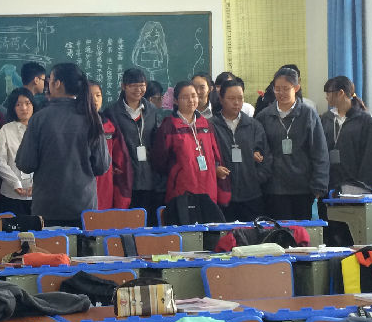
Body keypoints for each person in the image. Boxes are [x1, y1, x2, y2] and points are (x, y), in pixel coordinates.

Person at [15, 62, 110, 227]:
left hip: (47, 208)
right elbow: (101, 166)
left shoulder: (39, 118)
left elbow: (26, 164)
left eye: (50, 79)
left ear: (57, 84)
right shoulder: (91, 117)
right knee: (83, 245)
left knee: (49, 245)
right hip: (83, 207)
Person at [255, 67, 329, 219]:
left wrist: (319, 184)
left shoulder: (308, 114)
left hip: (303, 188)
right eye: (277, 89)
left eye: (286, 88)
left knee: (301, 231)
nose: (281, 93)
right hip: (274, 188)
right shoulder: (264, 116)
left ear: (296, 88)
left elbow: (319, 151)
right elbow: (257, 146)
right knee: (278, 230)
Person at [151, 80, 229, 209]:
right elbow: (160, 161)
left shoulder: (206, 124)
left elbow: (215, 155)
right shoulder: (168, 126)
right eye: (185, 97)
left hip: (208, 188)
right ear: (176, 101)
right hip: (181, 190)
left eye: (194, 96)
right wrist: (180, 171)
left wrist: (215, 168)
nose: (191, 100)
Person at [105, 67, 164, 224]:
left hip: (149, 176)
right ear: (123, 86)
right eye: (133, 86)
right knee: (127, 223)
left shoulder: (151, 110)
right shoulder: (112, 112)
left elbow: (157, 140)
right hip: (124, 175)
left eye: (142, 85)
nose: (138, 90)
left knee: (148, 222)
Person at [211, 79, 271, 221]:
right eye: (231, 98)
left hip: (252, 196)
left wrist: (256, 178)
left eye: (240, 98)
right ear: (221, 99)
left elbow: (266, 158)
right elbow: (207, 157)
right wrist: (215, 169)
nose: (236, 102)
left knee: (253, 233)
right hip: (223, 195)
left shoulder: (254, 125)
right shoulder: (211, 126)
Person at [320, 76, 372, 193]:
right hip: (329, 182)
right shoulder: (326, 118)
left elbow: (369, 155)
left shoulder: (363, 119)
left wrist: (364, 184)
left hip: (355, 183)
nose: (326, 97)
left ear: (340, 93)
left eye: (328, 93)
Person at [0, 87, 35, 216]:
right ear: (13, 108)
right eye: (18, 105)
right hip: (11, 195)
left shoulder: (42, 128)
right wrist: (15, 182)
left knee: (38, 228)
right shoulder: (6, 129)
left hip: (39, 194)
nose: (24, 108)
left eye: (27, 103)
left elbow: (48, 160)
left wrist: (37, 184)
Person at [90, 80, 132, 210]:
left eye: (98, 95)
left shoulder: (109, 126)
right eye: (90, 96)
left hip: (105, 186)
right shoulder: (75, 126)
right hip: (83, 187)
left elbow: (121, 164)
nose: (95, 100)